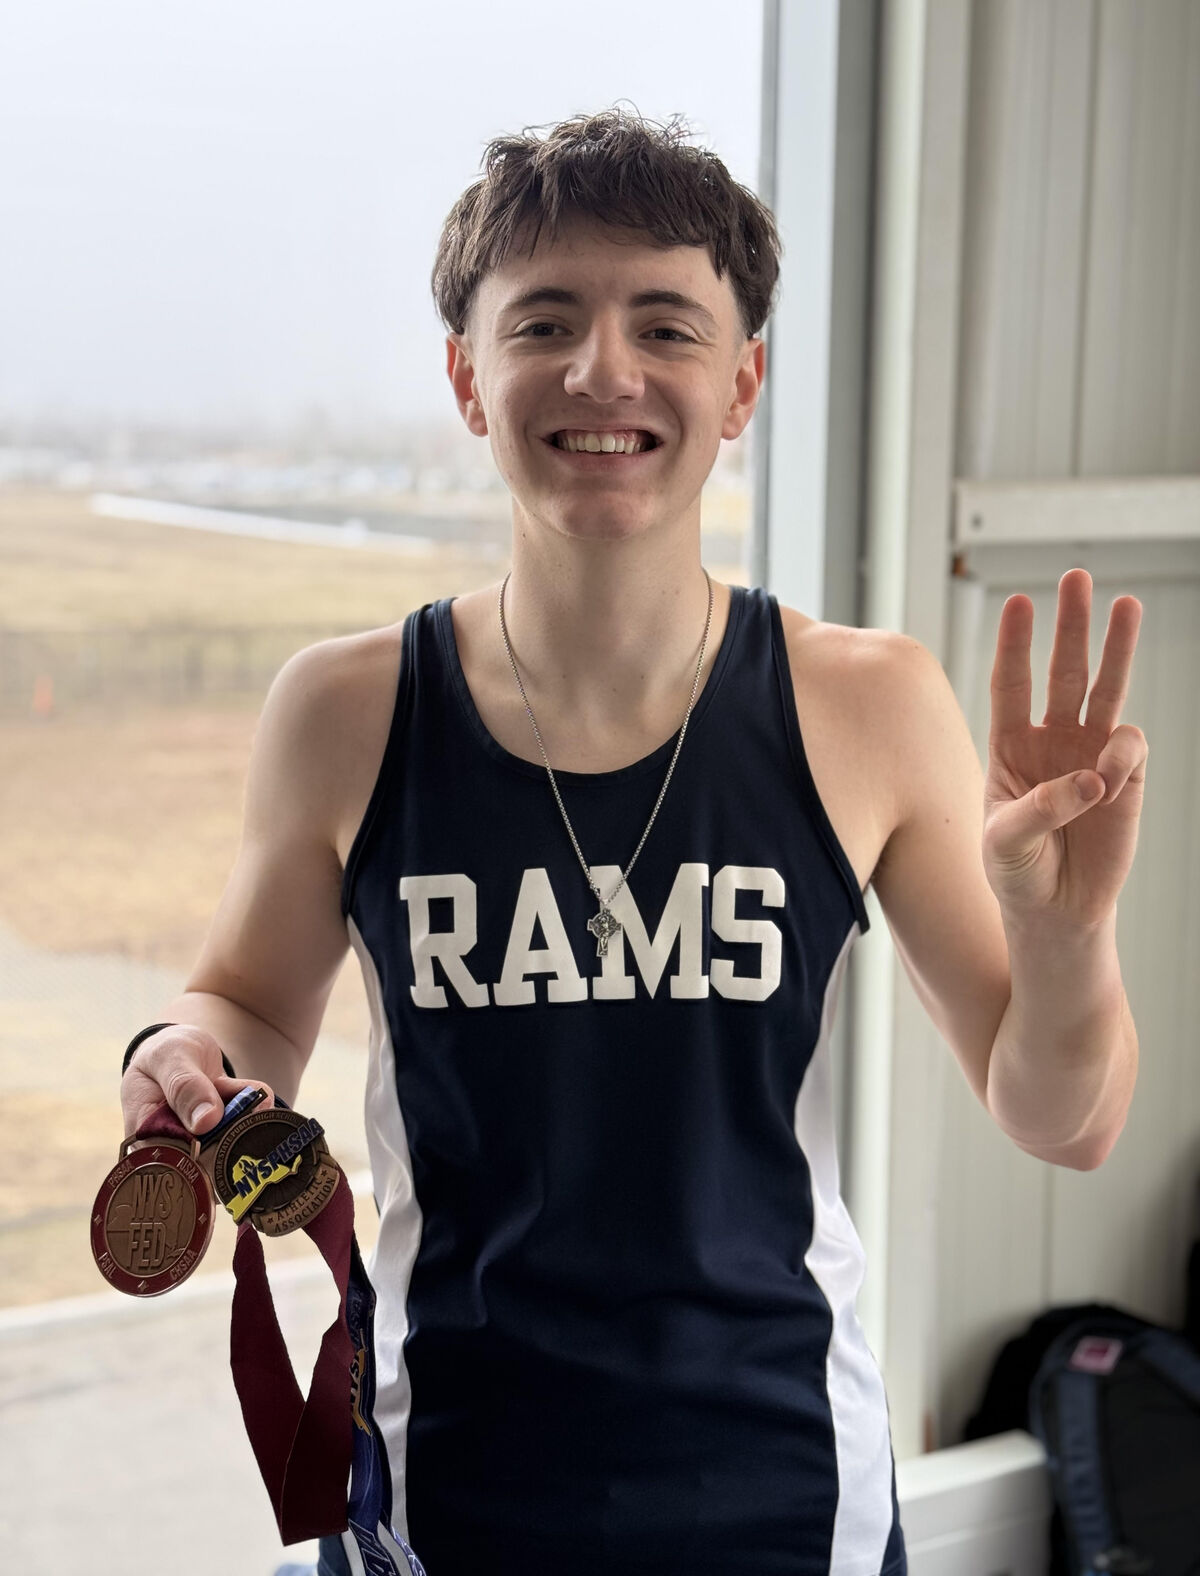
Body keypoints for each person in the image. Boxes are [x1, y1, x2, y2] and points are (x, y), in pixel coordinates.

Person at [121, 106, 910, 1575]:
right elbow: (248, 1001)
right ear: (468, 379)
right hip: (444, 1487)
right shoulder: (350, 705)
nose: (603, 369)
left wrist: (1064, 938)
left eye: (666, 326)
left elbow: (1065, 1112)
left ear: (741, 385)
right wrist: (176, 1054)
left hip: (787, 1495)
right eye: (544, 319)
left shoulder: (862, 702)